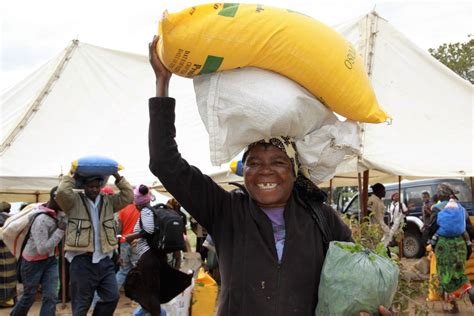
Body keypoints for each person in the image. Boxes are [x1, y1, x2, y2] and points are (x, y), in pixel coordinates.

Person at [147, 35, 390, 316]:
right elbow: (164, 162)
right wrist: (162, 82)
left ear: (294, 171)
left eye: (278, 162)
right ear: (244, 171)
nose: (265, 170)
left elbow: (355, 283)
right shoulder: (225, 211)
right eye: (254, 162)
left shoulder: (322, 219)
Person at [55, 171, 133, 316]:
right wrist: (71, 176)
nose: (94, 189)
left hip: (105, 260)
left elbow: (128, 195)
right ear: (83, 186)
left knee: (112, 297)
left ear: (101, 186)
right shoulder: (73, 201)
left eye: (97, 186)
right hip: (81, 262)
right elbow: (61, 193)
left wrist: (117, 176)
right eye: (90, 186)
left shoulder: (109, 201)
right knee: (81, 305)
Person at [125, 185, 190, 316]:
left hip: (149, 258)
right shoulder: (152, 211)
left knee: (149, 292)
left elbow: (148, 230)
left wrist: (132, 236)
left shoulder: (145, 211)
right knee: (151, 290)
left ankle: (154, 313)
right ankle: (150, 311)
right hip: (157, 256)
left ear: (137, 202)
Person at [10, 187, 66, 316]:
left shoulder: (58, 213)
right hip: (32, 263)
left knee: (51, 296)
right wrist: (60, 231)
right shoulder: (41, 219)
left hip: (50, 260)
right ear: (55, 199)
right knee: (29, 296)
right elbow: (42, 249)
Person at [426, 183, 473, 311]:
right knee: (458, 273)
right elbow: (469, 228)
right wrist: (468, 244)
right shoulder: (461, 208)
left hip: (444, 245)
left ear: (441, 194)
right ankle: (469, 290)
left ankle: (454, 306)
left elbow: (432, 227)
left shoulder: (437, 208)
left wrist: (431, 241)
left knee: (445, 274)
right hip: (460, 244)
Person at [115, 203, 140, 290]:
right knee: (137, 270)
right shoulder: (141, 209)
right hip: (136, 242)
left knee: (123, 271)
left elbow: (119, 230)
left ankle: (111, 292)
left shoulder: (123, 210)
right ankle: (137, 293)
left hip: (124, 242)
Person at [0, 202, 16, 308]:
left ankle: (4, 299)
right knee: (8, 276)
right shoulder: (11, 219)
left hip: (4, 252)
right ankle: (6, 300)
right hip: (9, 252)